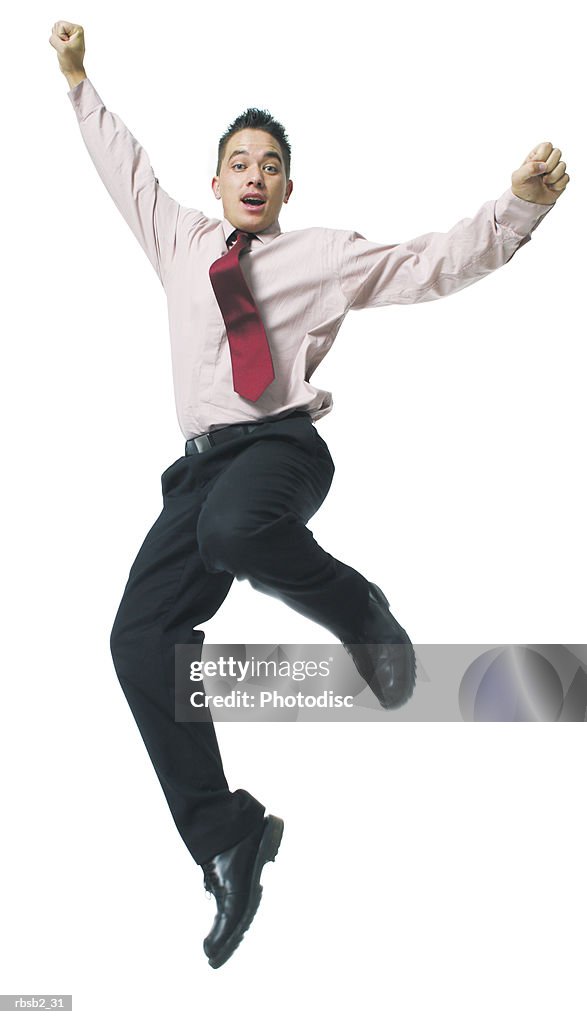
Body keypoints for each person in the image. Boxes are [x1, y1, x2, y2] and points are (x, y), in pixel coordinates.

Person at [50, 19, 569, 969]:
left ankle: (361, 612)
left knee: (237, 529)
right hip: (199, 468)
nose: (254, 176)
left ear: (287, 187)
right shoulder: (177, 240)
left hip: (281, 451)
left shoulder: (320, 255)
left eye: (272, 165)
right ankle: (225, 839)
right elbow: (121, 166)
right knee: (134, 640)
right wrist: (78, 78)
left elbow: (428, 262)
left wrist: (517, 207)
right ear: (215, 182)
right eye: (238, 162)